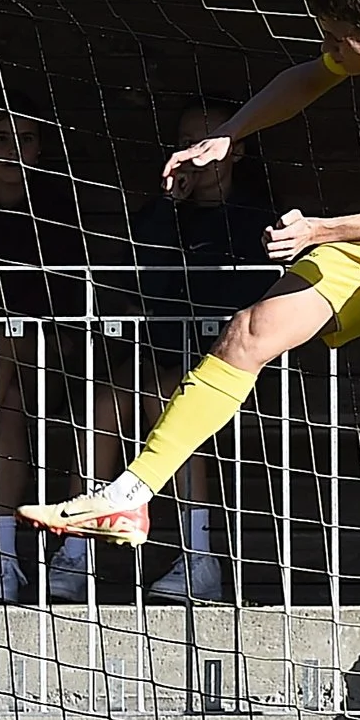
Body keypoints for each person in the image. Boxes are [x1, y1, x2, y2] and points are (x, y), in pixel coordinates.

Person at [21, 0, 360, 703]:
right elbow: (311, 77)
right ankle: (129, 493)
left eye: (339, 38)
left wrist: (324, 228)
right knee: (250, 331)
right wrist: (229, 132)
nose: (327, 47)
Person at [0, 103, 125, 604]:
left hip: (53, 360)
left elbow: (76, 305)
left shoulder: (58, 210)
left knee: (9, 355)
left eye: (27, 139)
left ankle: (17, 557)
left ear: (41, 151)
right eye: (1, 139)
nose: (14, 150)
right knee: (4, 403)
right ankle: (5, 561)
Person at [120, 99, 283, 604]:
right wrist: (169, 205)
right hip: (169, 355)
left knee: (164, 397)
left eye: (206, 142)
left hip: (239, 369)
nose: (197, 154)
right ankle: (77, 556)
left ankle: (200, 559)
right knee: (105, 403)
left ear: (238, 150)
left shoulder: (260, 216)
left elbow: (244, 298)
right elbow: (151, 279)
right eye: (186, 143)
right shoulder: (164, 214)